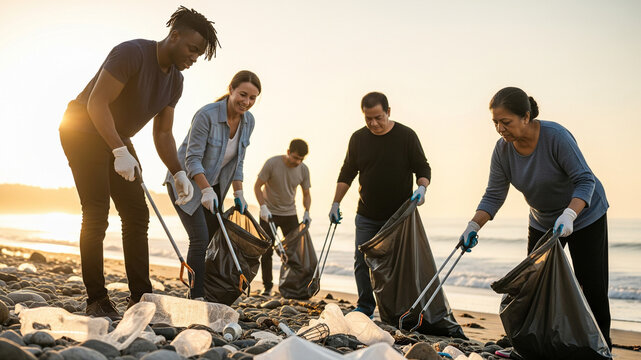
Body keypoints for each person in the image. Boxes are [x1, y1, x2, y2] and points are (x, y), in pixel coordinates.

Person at [59, 6, 220, 320]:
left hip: (116, 135)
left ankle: (141, 298)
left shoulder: (175, 82)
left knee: (136, 214)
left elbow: (162, 132)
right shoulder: (131, 53)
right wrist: (120, 151)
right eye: (193, 48)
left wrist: (178, 173)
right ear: (174, 36)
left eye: (200, 54)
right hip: (81, 128)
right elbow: (97, 103)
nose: (195, 57)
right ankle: (96, 299)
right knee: (96, 212)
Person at [459, 86, 611, 347]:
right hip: (542, 220)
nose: (500, 129)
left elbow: (585, 180)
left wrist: (569, 215)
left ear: (526, 117)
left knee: (591, 284)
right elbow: (494, 195)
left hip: (585, 215)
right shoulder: (502, 151)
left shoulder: (556, 137)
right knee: (533, 284)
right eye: (495, 123)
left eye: (505, 122)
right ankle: (525, 337)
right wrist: (473, 225)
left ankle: (601, 345)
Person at [329, 92, 431, 317]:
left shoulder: (406, 136)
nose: (373, 123)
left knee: (397, 266)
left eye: (378, 117)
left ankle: (397, 309)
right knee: (361, 261)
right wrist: (335, 203)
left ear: (388, 112)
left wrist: (421, 189)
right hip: (366, 213)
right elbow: (348, 171)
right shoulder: (358, 138)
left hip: (398, 216)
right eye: (368, 119)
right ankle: (365, 306)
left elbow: (423, 168)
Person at [165, 70, 261, 300]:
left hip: (214, 186)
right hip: (185, 183)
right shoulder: (206, 115)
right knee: (199, 238)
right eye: (243, 94)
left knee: (209, 239)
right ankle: (197, 297)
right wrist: (205, 190)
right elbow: (192, 159)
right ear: (231, 89)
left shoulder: (249, 121)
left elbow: (238, 162)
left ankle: (206, 291)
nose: (246, 102)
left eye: (252, 98)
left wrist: (239, 192)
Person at [254, 139, 311, 295]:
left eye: (301, 159)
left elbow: (306, 194)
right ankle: (267, 287)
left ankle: (292, 286)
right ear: (288, 152)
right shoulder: (272, 163)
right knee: (266, 251)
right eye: (295, 157)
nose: (297, 162)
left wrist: (307, 211)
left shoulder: (303, 169)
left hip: (289, 214)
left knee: (294, 251)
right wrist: (262, 207)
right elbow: (257, 186)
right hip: (269, 213)